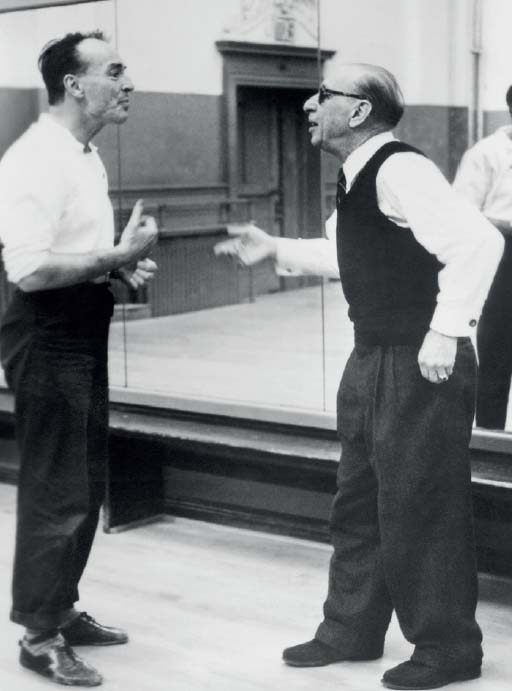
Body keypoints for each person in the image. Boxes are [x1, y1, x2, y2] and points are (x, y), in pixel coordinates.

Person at [215, 61, 503, 690]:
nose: (309, 106)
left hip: (420, 362)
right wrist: (278, 249)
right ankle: (351, 627)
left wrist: (446, 330)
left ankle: (449, 647)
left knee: (421, 505)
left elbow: (478, 242)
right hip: (372, 356)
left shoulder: (400, 167)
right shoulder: (357, 177)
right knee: (360, 498)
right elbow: (345, 252)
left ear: (361, 110)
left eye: (324, 96)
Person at [0, 31, 158, 687]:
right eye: (115, 71)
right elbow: (31, 269)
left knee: (84, 480)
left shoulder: (83, 155)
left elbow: (74, 255)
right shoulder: (35, 158)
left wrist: (115, 274)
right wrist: (116, 260)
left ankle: (60, 607)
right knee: (56, 485)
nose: (128, 83)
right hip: (45, 331)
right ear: (74, 84)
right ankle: (39, 636)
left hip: (79, 325)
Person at [453, 86, 512, 429]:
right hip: (503, 264)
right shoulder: (487, 154)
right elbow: (461, 216)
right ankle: (490, 449)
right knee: (496, 362)